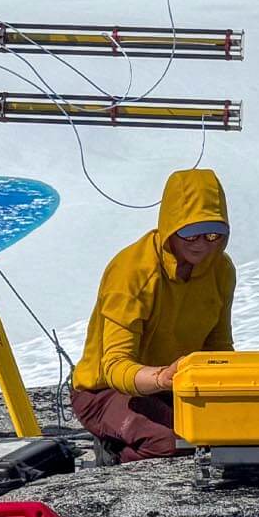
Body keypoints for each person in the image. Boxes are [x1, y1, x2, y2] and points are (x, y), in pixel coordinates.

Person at [71, 168, 235, 463]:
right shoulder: (132, 272)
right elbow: (114, 367)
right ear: (171, 226)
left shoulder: (220, 270)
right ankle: (114, 458)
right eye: (190, 233)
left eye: (214, 234)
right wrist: (162, 378)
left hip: (174, 386)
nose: (203, 243)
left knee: (235, 431)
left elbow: (219, 347)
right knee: (171, 442)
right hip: (104, 392)